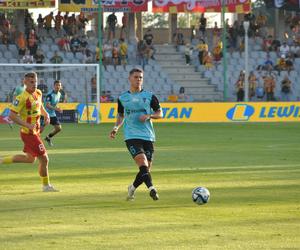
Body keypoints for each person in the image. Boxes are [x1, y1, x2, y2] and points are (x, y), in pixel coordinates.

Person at [109, 68, 163, 201]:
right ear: (129, 79)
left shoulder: (150, 96)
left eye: (140, 77)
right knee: (142, 162)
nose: (138, 80)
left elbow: (160, 113)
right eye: (136, 77)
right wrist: (116, 127)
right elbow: (121, 115)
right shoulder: (123, 98)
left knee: (146, 169)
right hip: (131, 135)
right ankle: (152, 189)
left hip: (148, 135)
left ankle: (132, 188)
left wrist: (149, 116)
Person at [0, 72, 58, 192]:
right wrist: (27, 125)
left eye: (35, 81)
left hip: (35, 132)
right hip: (28, 134)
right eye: (31, 82)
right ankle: (46, 186)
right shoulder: (21, 98)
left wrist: (46, 114)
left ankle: (1, 160)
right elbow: (11, 115)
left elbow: (40, 106)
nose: (34, 84)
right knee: (45, 159)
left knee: (30, 159)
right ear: (25, 82)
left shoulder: (38, 93)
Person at [44, 80, 63, 147]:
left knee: (58, 128)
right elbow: (47, 105)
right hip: (44, 114)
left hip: (52, 114)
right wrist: (56, 109)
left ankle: (48, 137)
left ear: (61, 87)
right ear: (54, 86)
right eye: (56, 85)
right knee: (39, 129)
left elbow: (54, 104)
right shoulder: (50, 94)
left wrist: (58, 108)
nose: (58, 86)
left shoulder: (59, 94)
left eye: (59, 85)